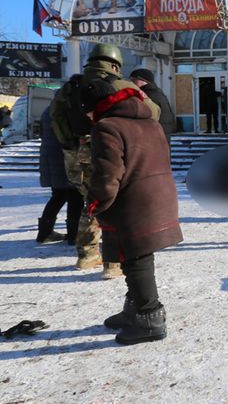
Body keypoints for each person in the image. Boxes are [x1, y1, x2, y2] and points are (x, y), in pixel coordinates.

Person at [81, 79, 182, 345]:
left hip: (132, 201)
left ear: (97, 107)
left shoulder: (107, 127)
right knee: (134, 257)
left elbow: (107, 175)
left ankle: (150, 319)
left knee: (136, 259)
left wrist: (93, 203)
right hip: (158, 195)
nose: (87, 116)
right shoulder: (150, 122)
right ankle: (134, 310)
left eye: (87, 110)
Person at [53, 44, 159, 278]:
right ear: (115, 64)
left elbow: (55, 118)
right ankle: (113, 263)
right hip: (109, 148)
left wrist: (70, 146)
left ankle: (87, 255)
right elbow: (154, 112)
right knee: (115, 204)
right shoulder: (121, 85)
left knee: (92, 201)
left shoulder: (70, 87)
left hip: (75, 154)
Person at [37, 107, 81, 244]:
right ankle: (74, 235)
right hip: (66, 157)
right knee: (75, 195)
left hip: (50, 158)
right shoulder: (69, 110)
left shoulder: (47, 110)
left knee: (58, 196)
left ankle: (44, 233)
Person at [130, 69, 174, 147]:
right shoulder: (157, 92)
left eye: (133, 80)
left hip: (154, 138)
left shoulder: (148, 95)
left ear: (142, 80)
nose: (131, 83)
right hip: (161, 136)